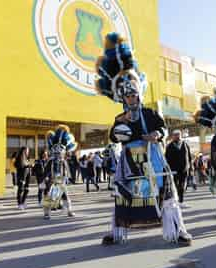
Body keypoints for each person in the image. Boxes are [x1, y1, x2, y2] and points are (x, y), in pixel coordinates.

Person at [97, 32, 191, 246]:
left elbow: (163, 129)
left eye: (134, 95)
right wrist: (120, 123)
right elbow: (113, 136)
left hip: (154, 157)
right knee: (123, 193)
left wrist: (157, 135)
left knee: (166, 192)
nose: (132, 98)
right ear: (123, 97)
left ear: (139, 95)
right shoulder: (120, 117)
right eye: (128, 95)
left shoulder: (150, 113)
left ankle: (177, 230)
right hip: (129, 160)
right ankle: (117, 232)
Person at [43, 125, 77, 219]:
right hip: (52, 180)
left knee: (65, 195)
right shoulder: (51, 160)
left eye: (60, 151)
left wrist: (68, 177)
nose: (59, 153)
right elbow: (46, 170)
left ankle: (69, 211)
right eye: (57, 151)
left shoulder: (63, 161)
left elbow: (66, 170)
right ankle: (47, 213)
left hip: (61, 180)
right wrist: (45, 178)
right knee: (50, 195)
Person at [165, 129, 192, 207]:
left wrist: (191, 167)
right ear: (172, 136)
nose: (177, 136)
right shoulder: (169, 146)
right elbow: (166, 158)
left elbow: (189, 157)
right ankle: (176, 201)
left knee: (183, 185)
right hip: (174, 170)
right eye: (175, 135)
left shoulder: (185, 144)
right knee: (175, 185)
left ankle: (181, 201)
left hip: (184, 169)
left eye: (178, 135)